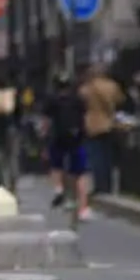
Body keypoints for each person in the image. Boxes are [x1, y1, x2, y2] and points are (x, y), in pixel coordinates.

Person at [43, 68, 91, 220]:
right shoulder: (78, 99)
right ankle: (83, 208)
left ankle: (59, 189)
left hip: (58, 137)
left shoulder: (52, 100)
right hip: (77, 138)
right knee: (80, 173)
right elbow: (85, 117)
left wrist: (44, 137)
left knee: (56, 166)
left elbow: (46, 121)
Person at [81, 58, 125, 197]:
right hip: (109, 123)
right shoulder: (112, 86)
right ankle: (109, 185)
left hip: (92, 125)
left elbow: (81, 101)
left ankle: (100, 185)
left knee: (96, 156)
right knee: (108, 156)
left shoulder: (88, 88)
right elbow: (120, 100)